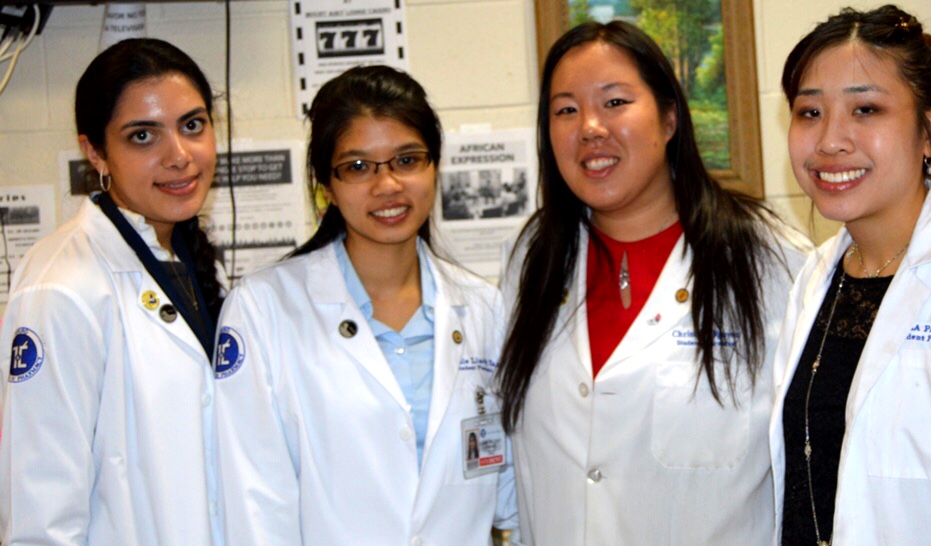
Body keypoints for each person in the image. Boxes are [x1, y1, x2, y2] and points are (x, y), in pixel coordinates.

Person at [496, 21, 809, 544]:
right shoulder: (531, 258)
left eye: (615, 102)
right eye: (566, 109)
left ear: (669, 119)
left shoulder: (769, 257)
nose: (590, 127)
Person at [213, 65, 520, 545]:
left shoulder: (485, 308)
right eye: (357, 167)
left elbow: (510, 496)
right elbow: (255, 505)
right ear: (326, 187)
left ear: (435, 166)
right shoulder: (263, 309)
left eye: (407, 160)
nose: (387, 185)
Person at [771, 5, 931, 545]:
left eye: (865, 109)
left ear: (929, 130)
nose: (830, 141)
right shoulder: (815, 278)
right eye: (809, 113)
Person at [0, 38, 225, 545]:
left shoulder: (186, 259)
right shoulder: (62, 287)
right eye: (143, 136)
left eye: (193, 125)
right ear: (94, 151)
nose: (179, 156)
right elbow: (40, 512)